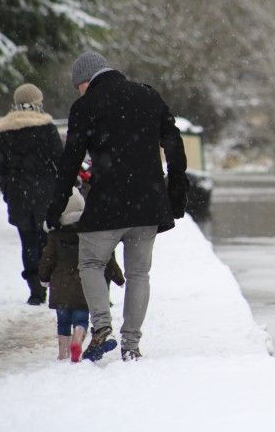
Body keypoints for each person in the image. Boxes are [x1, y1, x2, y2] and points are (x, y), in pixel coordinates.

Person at [46, 51, 188, 362]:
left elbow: (70, 161)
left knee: (91, 264)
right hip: (148, 203)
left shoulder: (85, 106)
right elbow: (174, 144)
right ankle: (131, 345)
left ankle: (101, 326)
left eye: (77, 87)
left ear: (85, 81)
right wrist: (176, 191)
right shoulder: (148, 96)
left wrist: (56, 206)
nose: (78, 92)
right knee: (139, 273)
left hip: (107, 205)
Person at [0, 83, 63, 305]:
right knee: (46, 242)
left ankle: (35, 290)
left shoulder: (4, 132)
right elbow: (59, 161)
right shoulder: (47, 128)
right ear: (37, 102)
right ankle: (48, 283)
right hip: (45, 193)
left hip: (18, 193)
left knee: (27, 242)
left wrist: (7, 192)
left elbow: (0, 168)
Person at [39, 188, 125, 362]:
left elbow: (47, 259)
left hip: (60, 287)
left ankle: (63, 353)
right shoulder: (88, 234)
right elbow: (106, 259)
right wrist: (118, 278)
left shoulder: (55, 235)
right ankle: (79, 335)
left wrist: (44, 277)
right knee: (81, 318)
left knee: (62, 322)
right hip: (84, 286)